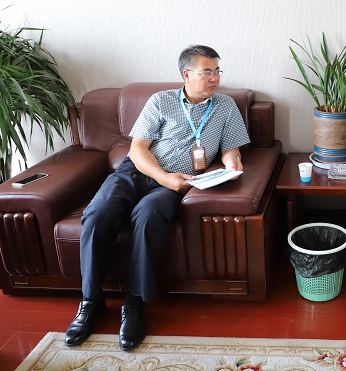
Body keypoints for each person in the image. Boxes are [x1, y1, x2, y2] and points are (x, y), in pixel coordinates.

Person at [64, 45, 250, 351]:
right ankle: (91, 302)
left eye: (217, 71)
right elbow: (137, 149)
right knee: (98, 214)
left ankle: (134, 303)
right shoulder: (161, 101)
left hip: (177, 183)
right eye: (207, 72)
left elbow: (231, 148)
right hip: (137, 172)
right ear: (186, 74)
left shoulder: (226, 106)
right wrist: (163, 177)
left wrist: (232, 162)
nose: (215, 78)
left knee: (149, 215)